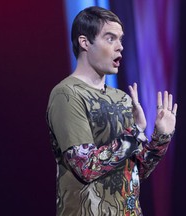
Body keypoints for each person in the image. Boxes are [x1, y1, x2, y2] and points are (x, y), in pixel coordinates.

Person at [46, 6, 178, 216]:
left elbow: (136, 171)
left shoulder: (122, 99)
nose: (120, 47)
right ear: (84, 42)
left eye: (120, 39)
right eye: (110, 39)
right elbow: (85, 167)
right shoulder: (66, 95)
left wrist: (160, 137)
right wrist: (134, 131)